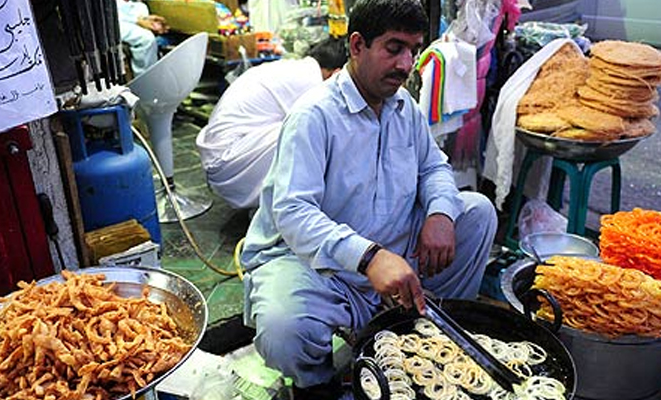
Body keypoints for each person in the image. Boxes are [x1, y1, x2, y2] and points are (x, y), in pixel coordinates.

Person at [239, 0, 498, 398]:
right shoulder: (315, 116)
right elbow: (292, 211)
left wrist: (441, 215)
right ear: (357, 45)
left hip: (394, 253)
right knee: (283, 327)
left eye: (413, 49)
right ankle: (316, 386)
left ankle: (429, 333)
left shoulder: (404, 109)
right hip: (320, 268)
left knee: (477, 213)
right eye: (394, 48)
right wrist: (368, 257)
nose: (405, 64)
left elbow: (433, 169)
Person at [195, 37, 348, 209]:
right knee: (319, 130)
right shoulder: (312, 82)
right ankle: (280, 207)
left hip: (222, 159)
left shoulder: (294, 68)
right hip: (230, 166)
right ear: (337, 73)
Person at [116, 0, 169, 77]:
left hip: (130, 13)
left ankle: (152, 77)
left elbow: (140, 19)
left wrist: (149, 21)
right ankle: (144, 80)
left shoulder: (140, 6)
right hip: (112, 23)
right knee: (146, 39)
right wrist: (137, 21)